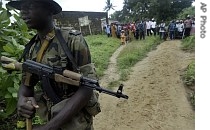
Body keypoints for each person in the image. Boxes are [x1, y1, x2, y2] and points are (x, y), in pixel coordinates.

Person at [7, 0, 100, 130]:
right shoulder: (32, 48)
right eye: (22, 8)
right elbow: (26, 84)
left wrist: (49, 127)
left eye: (30, 6)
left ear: (49, 9)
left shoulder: (72, 40)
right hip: (49, 117)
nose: (23, 12)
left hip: (76, 122)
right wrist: (22, 99)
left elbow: (87, 87)